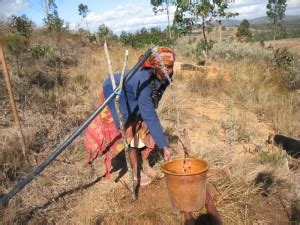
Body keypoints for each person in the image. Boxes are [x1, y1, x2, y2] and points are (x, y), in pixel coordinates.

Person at [84, 47, 175, 186]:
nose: (167, 71)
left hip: (136, 95)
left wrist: (146, 112)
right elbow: (149, 113)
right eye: (164, 67)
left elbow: (155, 98)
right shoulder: (142, 80)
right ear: (155, 66)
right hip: (116, 92)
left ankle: (144, 163)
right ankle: (136, 171)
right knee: (129, 131)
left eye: (170, 67)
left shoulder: (166, 76)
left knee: (144, 129)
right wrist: (163, 146)